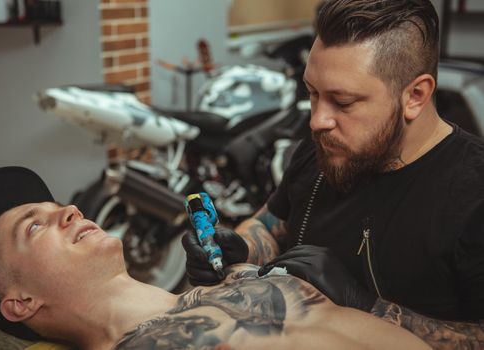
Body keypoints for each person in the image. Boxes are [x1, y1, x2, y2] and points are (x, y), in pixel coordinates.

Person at [182, 0, 484, 348]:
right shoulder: (321, 149)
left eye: (342, 102)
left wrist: (364, 307)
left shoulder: (473, 194)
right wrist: (241, 248)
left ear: (415, 95)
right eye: (312, 93)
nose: (317, 121)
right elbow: (268, 225)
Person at [0, 166, 430, 350]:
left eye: (58, 204)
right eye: (34, 225)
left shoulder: (236, 279)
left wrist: (372, 306)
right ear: (20, 302)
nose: (69, 210)